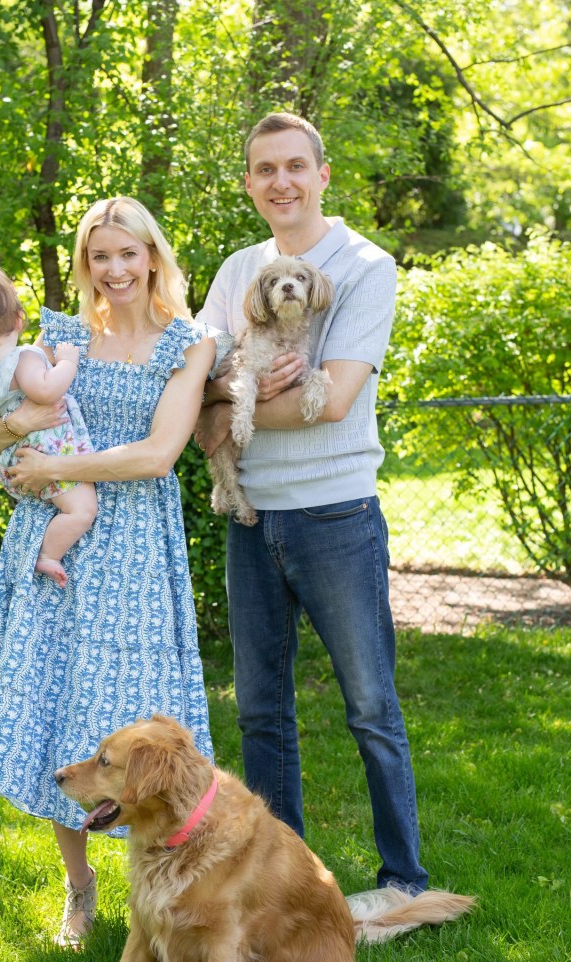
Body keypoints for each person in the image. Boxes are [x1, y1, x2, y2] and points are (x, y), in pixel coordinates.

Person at [0, 197, 216, 947]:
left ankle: (163, 891)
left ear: (152, 257)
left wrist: (57, 464)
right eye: (99, 256)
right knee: (57, 706)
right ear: (86, 263)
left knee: (135, 722)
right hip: (57, 544)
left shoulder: (189, 342)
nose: (114, 271)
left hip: (136, 547)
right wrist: (17, 435)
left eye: (127, 254)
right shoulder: (62, 336)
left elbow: (158, 455)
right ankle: (79, 892)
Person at [195, 112, 428, 894]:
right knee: (261, 712)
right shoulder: (237, 272)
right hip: (252, 518)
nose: (281, 182)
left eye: (296, 166)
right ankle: (282, 883)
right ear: (250, 183)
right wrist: (221, 400)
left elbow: (335, 399)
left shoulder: (364, 264)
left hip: (335, 514)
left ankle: (403, 878)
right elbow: (196, 373)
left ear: (323, 174)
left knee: (371, 706)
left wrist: (227, 414)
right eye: (266, 169)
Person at [0, 266, 97, 588]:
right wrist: (68, 361)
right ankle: (48, 555)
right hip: (49, 453)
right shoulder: (22, 359)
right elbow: (47, 391)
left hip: (14, 461)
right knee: (82, 510)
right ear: (18, 320)